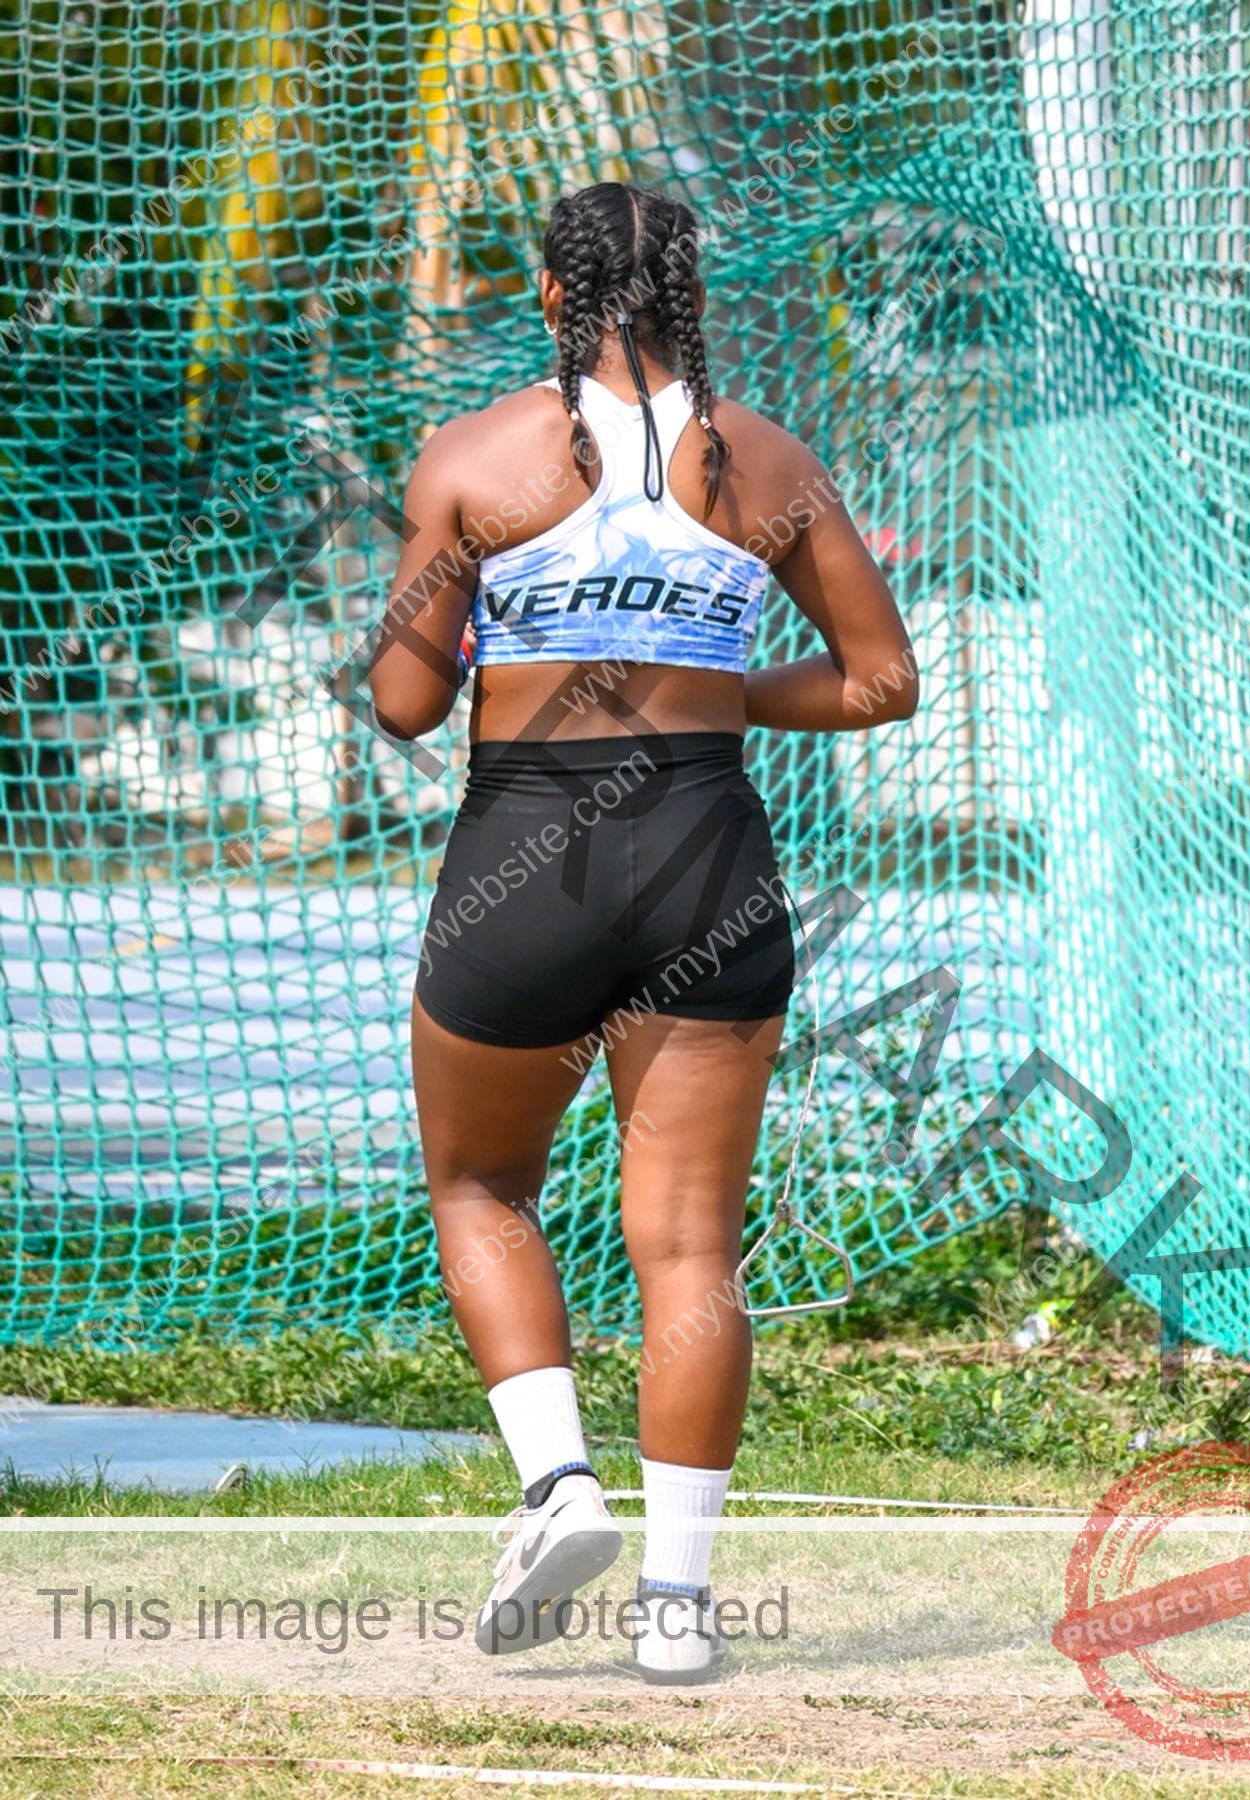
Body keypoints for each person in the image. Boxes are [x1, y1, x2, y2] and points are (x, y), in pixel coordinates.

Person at [371, 181, 917, 1684]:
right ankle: (676, 1611)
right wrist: (702, 686)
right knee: (689, 1246)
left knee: (481, 1180)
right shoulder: (774, 466)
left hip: (526, 859)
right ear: (692, 299)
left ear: (552, 301)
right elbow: (882, 682)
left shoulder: (474, 459)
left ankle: (558, 1487)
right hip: (707, 853)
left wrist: (478, 610)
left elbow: (406, 705)